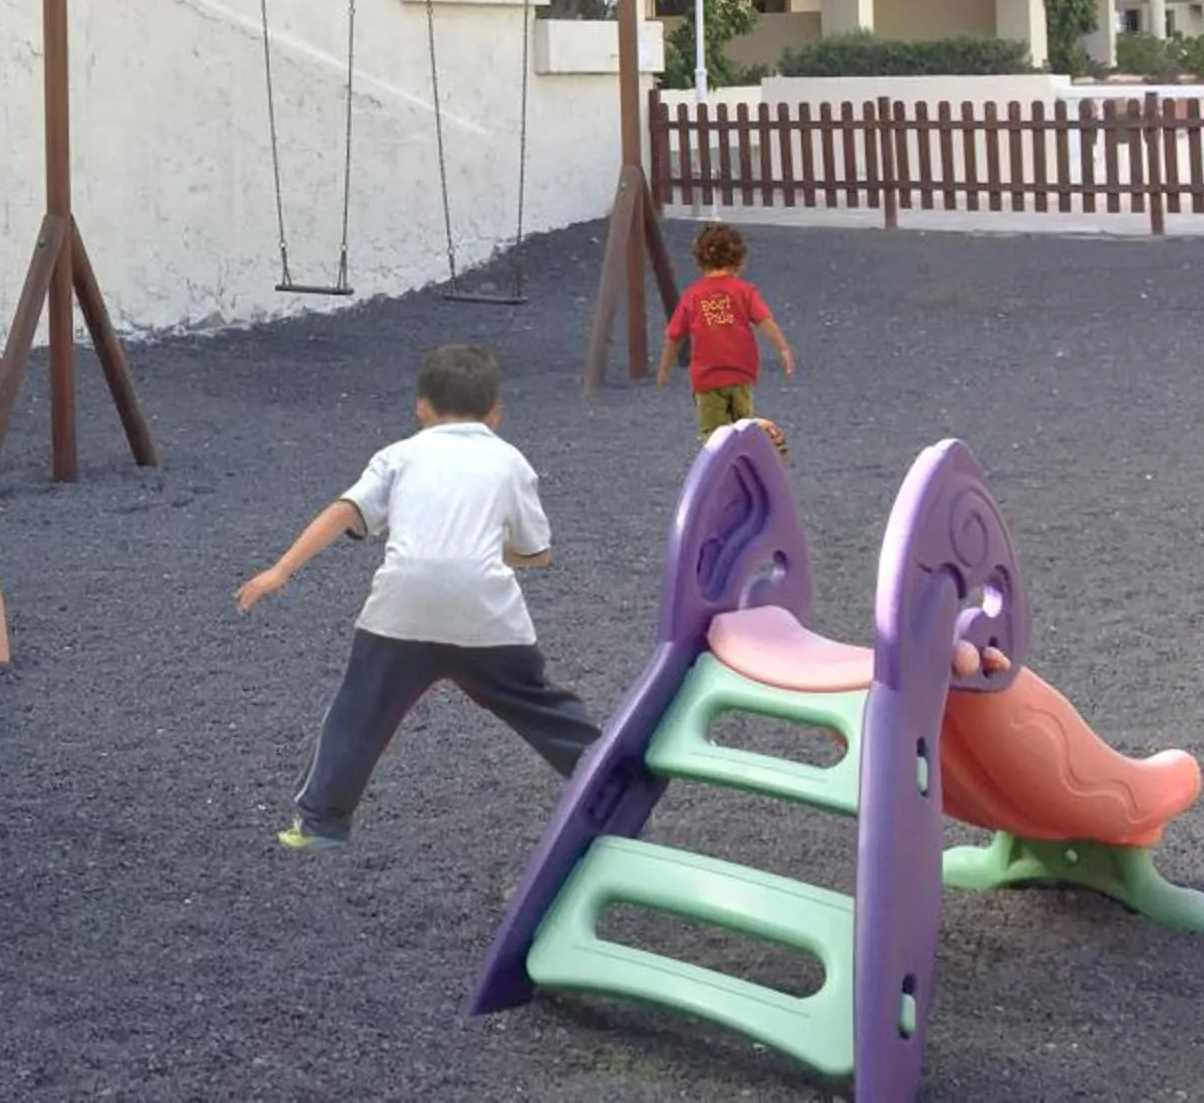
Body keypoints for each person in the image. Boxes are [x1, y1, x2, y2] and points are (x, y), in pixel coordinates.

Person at [237, 343, 597, 850]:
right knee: (540, 706)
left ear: (421, 406)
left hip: (400, 613)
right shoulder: (510, 461)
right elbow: (535, 552)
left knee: (359, 712)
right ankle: (614, 781)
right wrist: (499, 553)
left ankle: (321, 823)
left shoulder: (400, 455)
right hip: (486, 618)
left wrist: (281, 569)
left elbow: (345, 510)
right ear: (496, 412)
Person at [657, 221, 796, 439]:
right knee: (742, 428)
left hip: (707, 377)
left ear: (699, 260)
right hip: (741, 373)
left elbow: (674, 335)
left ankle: (719, 468)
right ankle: (741, 464)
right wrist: (783, 349)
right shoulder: (744, 291)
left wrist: (664, 369)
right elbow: (765, 321)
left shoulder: (692, 296)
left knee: (712, 435)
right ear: (739, 260)